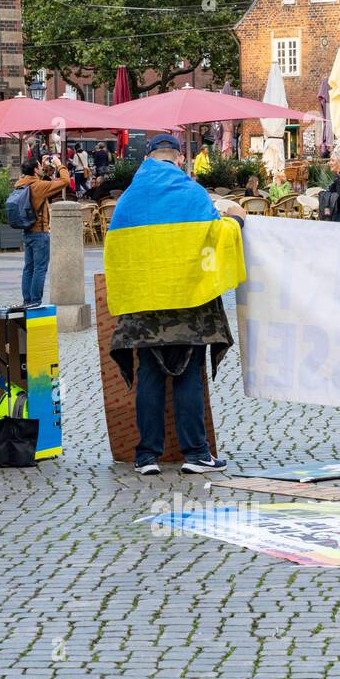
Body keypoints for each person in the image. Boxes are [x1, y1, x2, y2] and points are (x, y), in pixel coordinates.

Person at [105, 134, 245, 475]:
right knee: (188, 376)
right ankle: (196, 453)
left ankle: (146, 456)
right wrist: (236, 219)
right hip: (189, 300)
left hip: (144, 305)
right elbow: (217, 235)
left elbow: (115, 251)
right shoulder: (193, 193)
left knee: (149, 376)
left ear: (147, 159)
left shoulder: (128, 200)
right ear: (179, 159)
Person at [14, 156, 72, 306]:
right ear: (34, 170)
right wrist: (59, 165)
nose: (41, 168)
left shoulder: (20, 184)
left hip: (27, 231)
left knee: (29, 268)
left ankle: (27, 300)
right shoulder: (38, 186)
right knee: (40, 268)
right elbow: (66, 181)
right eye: (39, 166)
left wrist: (45, 168)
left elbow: (40, 180)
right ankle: (35, 301)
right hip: (40, 232)